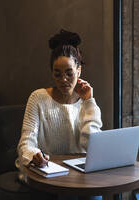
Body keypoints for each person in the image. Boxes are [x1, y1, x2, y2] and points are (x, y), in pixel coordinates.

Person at [16, 29, 103, 200]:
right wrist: (34, 156)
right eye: (57, 74)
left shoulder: (87, 102)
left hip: (81, 174)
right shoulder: (38, 98)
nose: (63, 79)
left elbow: (92, 146)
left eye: (69, 73)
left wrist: (89, 102)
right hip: (49, 174)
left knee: (95, 196)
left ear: (79, 71)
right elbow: (26, 143)